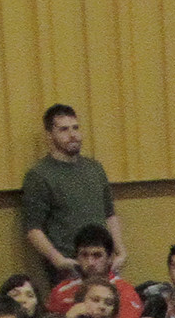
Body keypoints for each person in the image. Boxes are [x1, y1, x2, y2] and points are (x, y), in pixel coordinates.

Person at [19, 104, 118, 279]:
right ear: (49, 135)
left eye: (75, 128)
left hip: (103, 264)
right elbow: (33, 229)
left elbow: (110, 215)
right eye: (64, 129)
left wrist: (120, 251)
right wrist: (57, 260)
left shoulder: (95, 169)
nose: (73, 135)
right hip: (69, 266)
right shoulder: (39, 175)